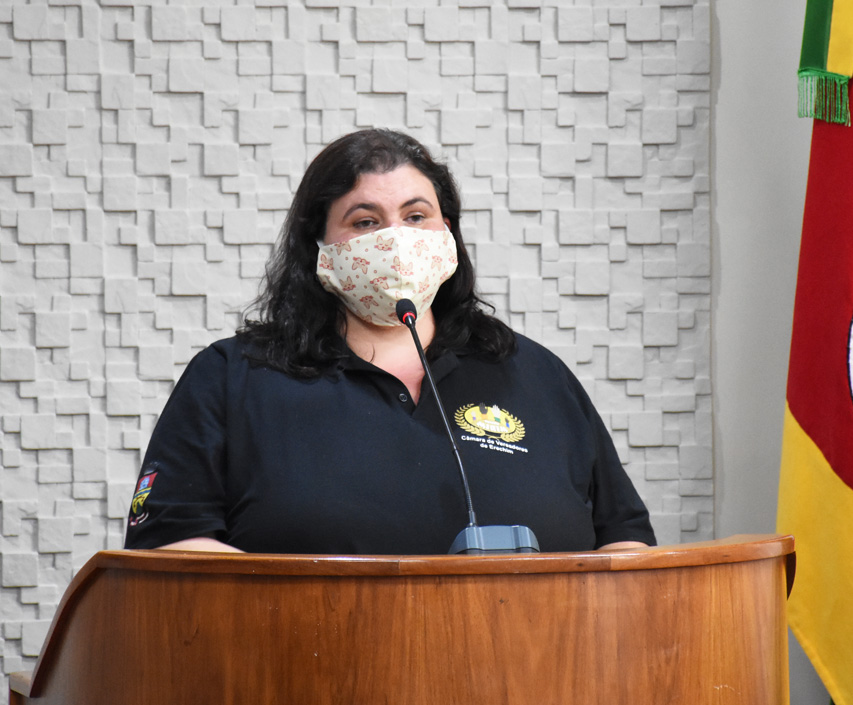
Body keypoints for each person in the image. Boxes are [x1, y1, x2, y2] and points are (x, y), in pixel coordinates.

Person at [124, 129, 655, 554]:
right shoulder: (233, 377)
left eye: (416, 216)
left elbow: (625, 540)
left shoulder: (535, 374)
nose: (396, 240)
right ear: (320, 248)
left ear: (448, 233)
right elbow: (169, 544)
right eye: (365, 222)